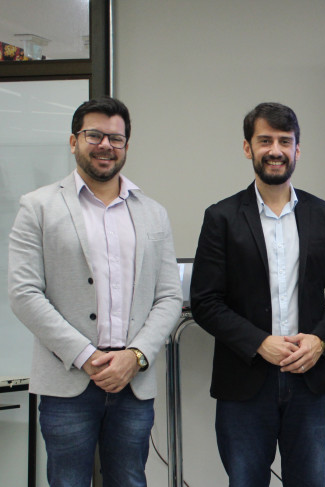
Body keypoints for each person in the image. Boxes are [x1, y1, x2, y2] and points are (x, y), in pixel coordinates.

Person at [8, 96, 183, 486]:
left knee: (130, 480)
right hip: (67, 380)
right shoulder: (37, 207)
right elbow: (24, 293)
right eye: (94, 135)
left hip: (132, 381)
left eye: (116, 138)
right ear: (74, 141)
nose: (106, 145)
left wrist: (136, 356)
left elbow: (169, 296)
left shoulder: (153, 213)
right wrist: (85, 356)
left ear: (126, 146)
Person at [190, 102, 325, 487]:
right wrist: (259, 343)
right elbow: (205, 301)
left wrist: (319, 341)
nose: (275, 150)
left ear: (297, 149)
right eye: (265, 140)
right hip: (244, 383)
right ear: (247, 147)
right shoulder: (221, 217)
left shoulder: (323, 215)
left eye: (284, 141)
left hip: (309, 379)